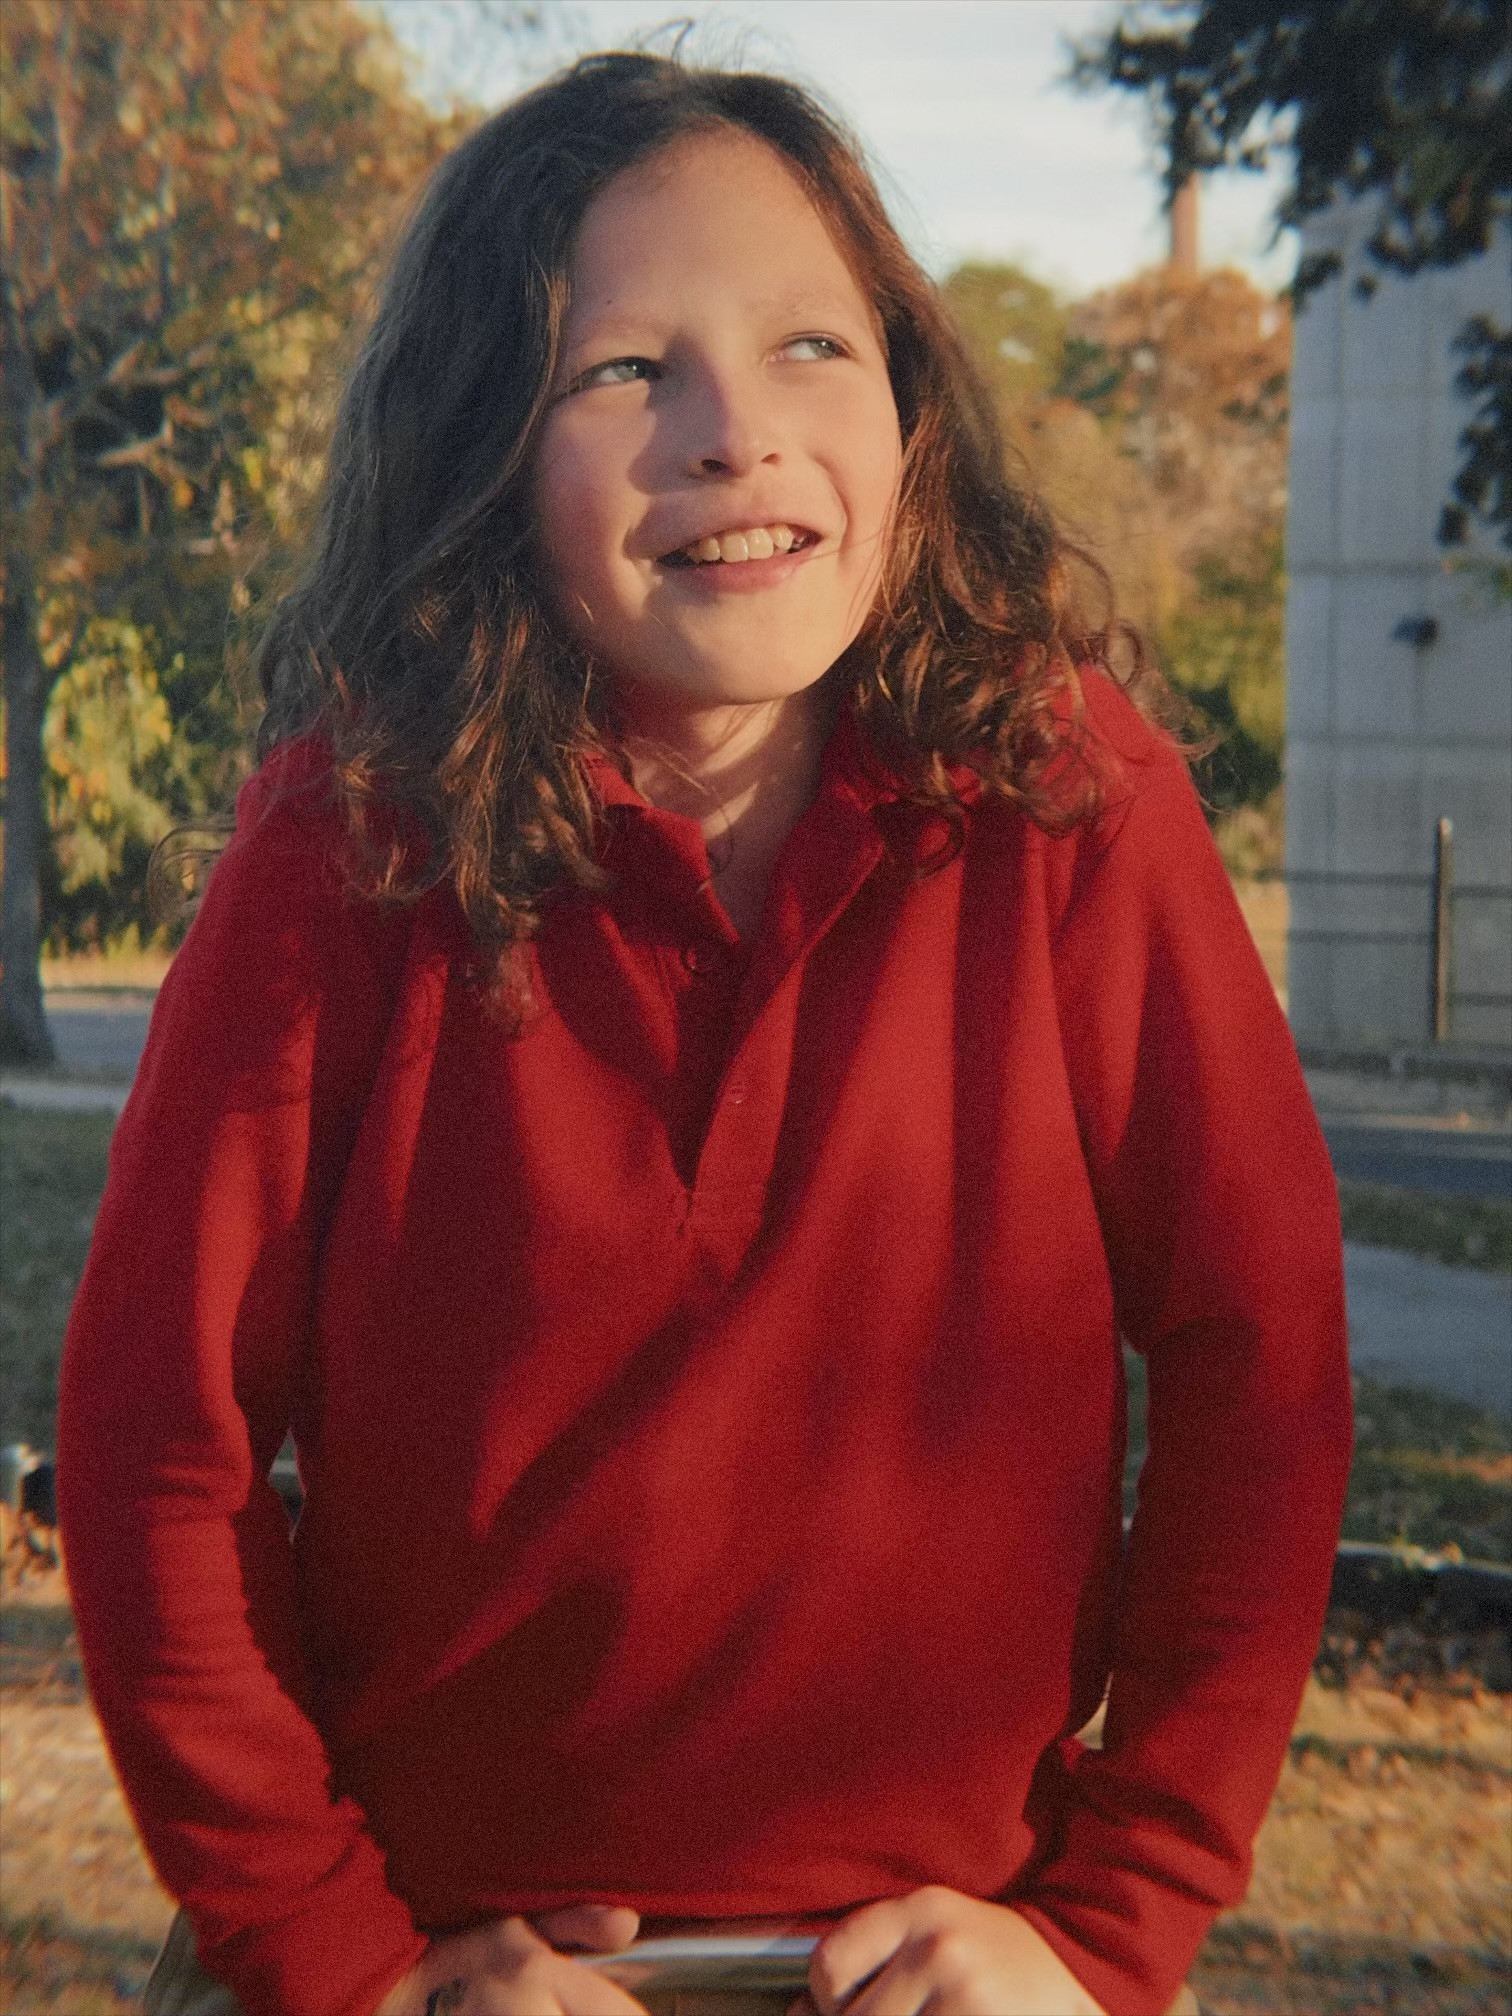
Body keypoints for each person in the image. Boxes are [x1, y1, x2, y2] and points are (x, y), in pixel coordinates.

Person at [57, 51, 1352, 2016]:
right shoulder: (354, 847)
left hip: (952, 1972)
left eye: (812, 344)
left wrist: (1114, 1925)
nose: (737, 434)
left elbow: (1266, 1361)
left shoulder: (1070, 801)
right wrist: (338, 1958)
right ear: (488, 449)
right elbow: (158, 1438)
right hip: (442, 1964)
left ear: (912, 407)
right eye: (622, 371)